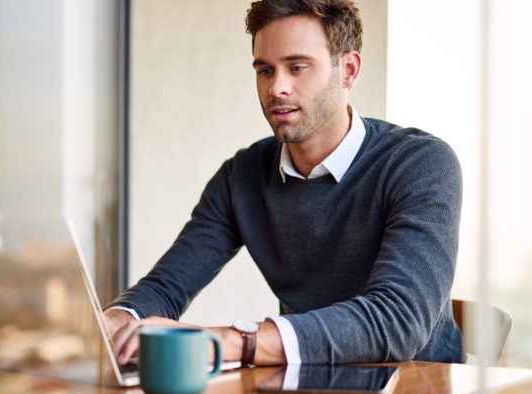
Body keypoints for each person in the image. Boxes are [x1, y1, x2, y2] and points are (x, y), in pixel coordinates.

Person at [105, 0, 464, 373]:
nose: (277, 88)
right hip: (304, 390)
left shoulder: (419, 164)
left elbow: (398, 321)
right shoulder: (241, 177)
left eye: (297, 67)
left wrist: (235, 340)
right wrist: (118, 319)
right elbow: (167, 285)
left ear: (349, 70)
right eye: (265, 70)